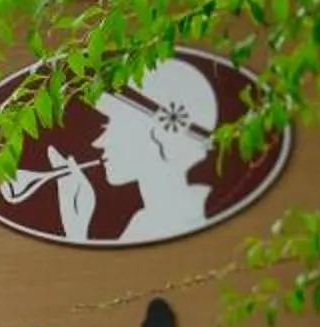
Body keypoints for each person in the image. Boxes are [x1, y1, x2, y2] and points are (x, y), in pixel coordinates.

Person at [56, 56, 221, 244]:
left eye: (111, 125)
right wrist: (76, 228)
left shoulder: (190, 215)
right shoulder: (143, 222)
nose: (98, 143)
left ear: (162, 132)